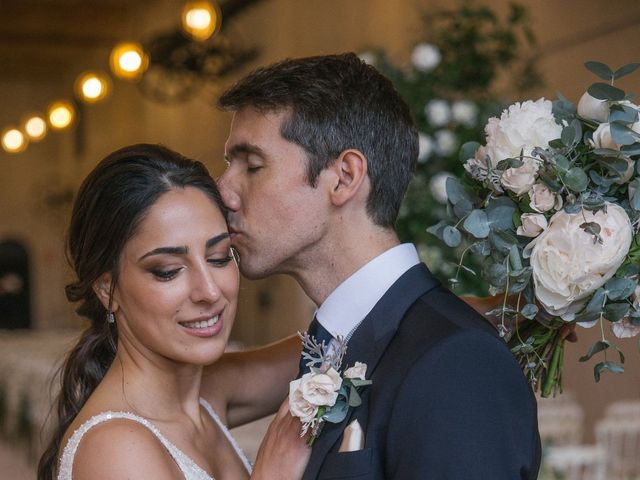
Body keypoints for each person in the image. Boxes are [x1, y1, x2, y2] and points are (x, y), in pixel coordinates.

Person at [210, 53, 542, 479]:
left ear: (344, 177)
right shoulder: (334, 342)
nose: (224, 191)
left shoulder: (458, 361)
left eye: (252, 166)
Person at [37, 144, 310, 480]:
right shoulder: (116, 448)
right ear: (107, 288)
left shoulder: (207, 391)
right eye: (168, 270)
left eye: (220, 257)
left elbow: (334, 344)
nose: (210, 291)